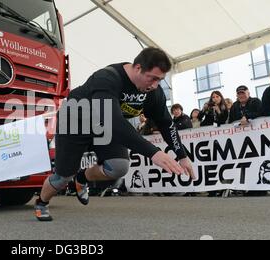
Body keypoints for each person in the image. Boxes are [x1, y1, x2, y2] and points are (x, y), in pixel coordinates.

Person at [34, 48, 195, 221]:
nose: (155, 85)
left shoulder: (153, 92)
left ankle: (82, 178)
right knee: (62, 177)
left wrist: (182, 155)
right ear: (138, 68)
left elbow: (166, 123)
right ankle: (42, 203)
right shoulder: (107, 78)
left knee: (118, 166)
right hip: (75, 121)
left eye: (160, 80)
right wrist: (153, 152)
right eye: (153, 78)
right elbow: (113, 122)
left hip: (103, 125)